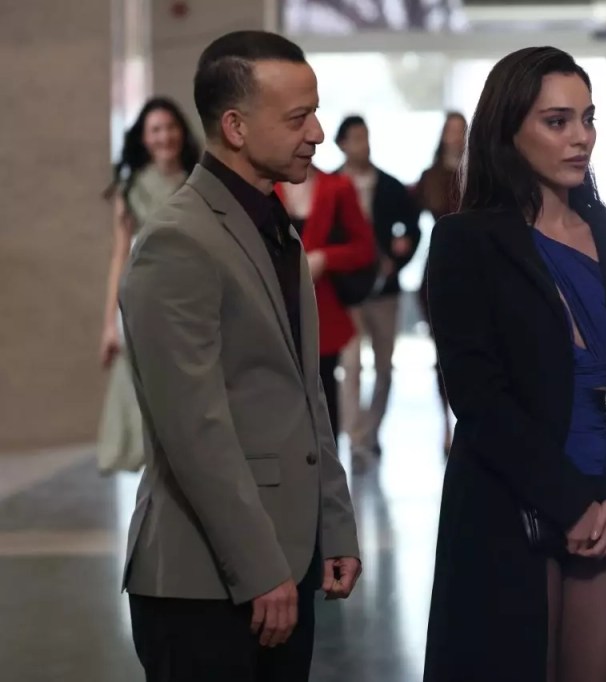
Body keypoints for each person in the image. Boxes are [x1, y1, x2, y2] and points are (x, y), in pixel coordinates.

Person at [118, 30, 361, 682]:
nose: (317, 133)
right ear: (234, 126)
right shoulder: (177, 240)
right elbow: (194, 430)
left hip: (284, 564)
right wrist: (260, 569)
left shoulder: (272, 227)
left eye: (315, 112)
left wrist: (334, 526)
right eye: (297, 118)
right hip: (207, 582)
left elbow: (305, 395)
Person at [422, 47, 606, 682]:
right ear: (508, 129)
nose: (581, 137)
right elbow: (477, 396)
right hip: (511, 498)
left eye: (588, 118)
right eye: (558, 121)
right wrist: (571, 503)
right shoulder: (464, 241)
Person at [97, 97, 199, 475]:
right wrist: (109, 324)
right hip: (145, 302)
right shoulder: (131, 189)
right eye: (156, 129)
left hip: (193, 301)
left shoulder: (200, 182)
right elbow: (120, 256)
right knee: (143, 393)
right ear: (144, 137)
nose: (164, 136)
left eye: (170, 127)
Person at [335, 115, 422, 468]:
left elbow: (412, 228)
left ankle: (371, 433)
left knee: (384, 366)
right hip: (347, 290)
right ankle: (356, 438)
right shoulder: (333, 185)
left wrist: (398, 258)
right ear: (342, 144)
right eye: (356, 137)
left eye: (366, 136)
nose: (364, 144)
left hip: (385, 289)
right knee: (351, 365)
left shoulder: (389, 185)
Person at [277, 166, 377, 439]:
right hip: (275, 311)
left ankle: (328, 459)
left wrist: (325, 258)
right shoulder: (264, 187)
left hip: (323, 311)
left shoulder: (338, 188)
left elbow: (365, 249)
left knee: (323, 395)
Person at [416, 111, 467, 455]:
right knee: (443, 353)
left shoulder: (479, 174)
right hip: (440, 265)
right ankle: (446, 424)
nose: (455, 136)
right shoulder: (430, 177)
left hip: (473, 266)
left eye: (460, 131)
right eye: (451, 130)